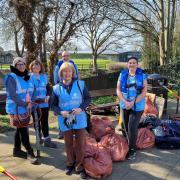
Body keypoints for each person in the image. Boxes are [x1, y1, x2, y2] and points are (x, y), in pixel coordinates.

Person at [51, 62, 91, 179]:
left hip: (79, 118)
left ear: (72, 72)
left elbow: (88, 99)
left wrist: (81, 108)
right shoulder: (56, 88)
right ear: (61, 73)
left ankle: (79, 165)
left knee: (80, 143)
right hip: (64, 119)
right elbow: (52, 105)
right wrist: (60, 112)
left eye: (69, 71)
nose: (67, 73)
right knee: (68, 143)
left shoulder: (80, 84)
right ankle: (69, 163)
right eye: (65, 71)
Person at [4, 57, 38, 164]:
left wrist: (32, 102)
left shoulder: (26, 76)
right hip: (16, 108)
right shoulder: (11, 77)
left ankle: (16, 150)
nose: (21, 66)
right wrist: (25, 104)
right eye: (18, 64)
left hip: (26, 107)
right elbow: (13, 95)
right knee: (23, 130)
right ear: (15, 66)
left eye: (23, 64)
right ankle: (29, 152)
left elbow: (31, 90)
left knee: (19, 129)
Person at [116, 57, 147, 160]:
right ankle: (126, 145)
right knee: (124, 126)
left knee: (132, 127)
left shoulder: (142, 75)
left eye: (134, 63)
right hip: (124, 105)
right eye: (130, 63)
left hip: (137, 106)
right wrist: (125, 102)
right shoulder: (122, 74)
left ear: (137, 65)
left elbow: (144, 92)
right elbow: (118, 90)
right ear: (127, 64)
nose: (132, 65)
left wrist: (133, 102)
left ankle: (132, 150)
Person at [29, 60, 57, 148]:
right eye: (34, 65)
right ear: (31, 67)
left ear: (41, 67)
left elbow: (49, 88)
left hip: (44, 104)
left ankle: (47, 140)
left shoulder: (44, 76)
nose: (36, 67)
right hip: (34, 104)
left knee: (44, 122)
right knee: (36, 122)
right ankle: (39, 137)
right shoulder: (28, 77)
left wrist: (48, 96)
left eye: (38, 65)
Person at [53, 51, 79, 139]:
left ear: (69, 56)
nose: (65, 57)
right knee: (62, 110)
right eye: (64, 56)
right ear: (61, 56)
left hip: (72, 89)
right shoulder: (58, 66)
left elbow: (76, 77)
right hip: (61, 89)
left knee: (73, 110)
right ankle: (61, 132)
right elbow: (56, 79)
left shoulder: (74, 65)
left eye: (67, 56)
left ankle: (73, 130)